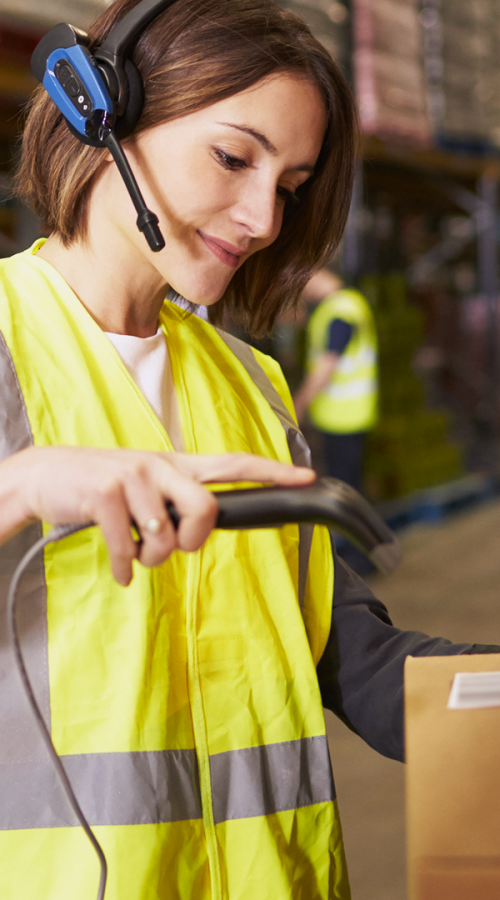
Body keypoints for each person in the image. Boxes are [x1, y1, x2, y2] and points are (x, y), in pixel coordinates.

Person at [0, 2, 496, 899]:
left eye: (292, 183)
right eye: (234, 157)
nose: (265, 218)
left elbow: (349, 655)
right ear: (99, 114)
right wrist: (23, 485)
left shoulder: (253, 387)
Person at [293, 268, 378, 491]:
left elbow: (327, 364)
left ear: (315, 273)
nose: (301, 292)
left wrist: (298, 405)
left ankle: (345, 528)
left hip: (344, 416)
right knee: (346, 482)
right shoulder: (344, 303)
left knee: (343, 487)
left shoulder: (340, 310)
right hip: (343, 415)